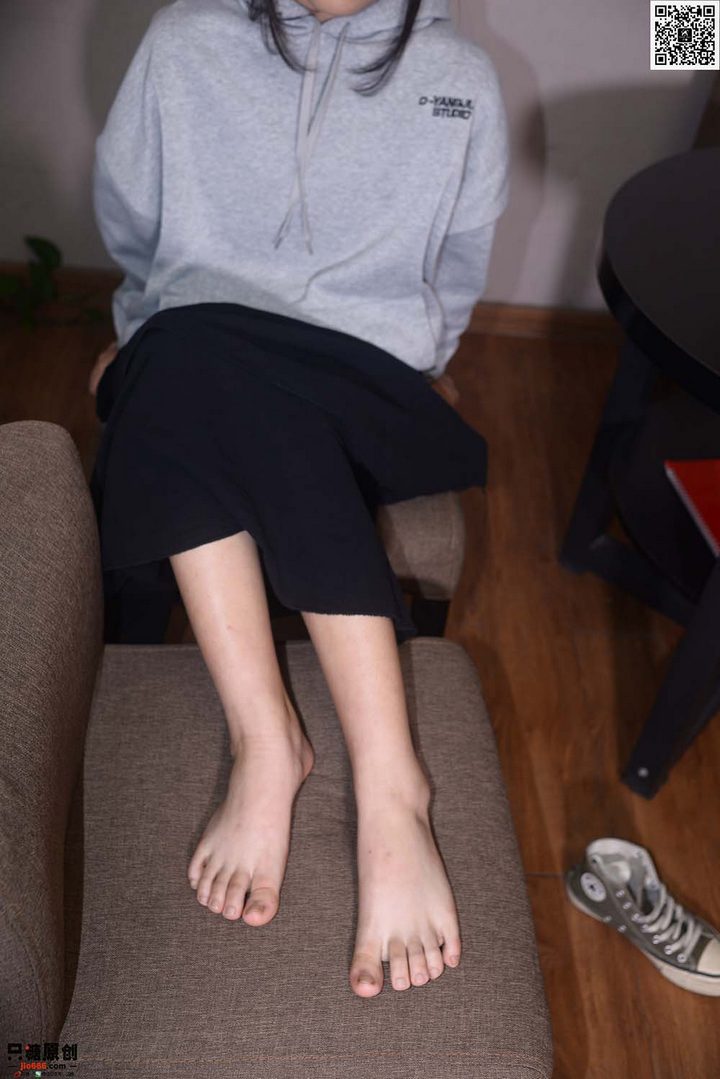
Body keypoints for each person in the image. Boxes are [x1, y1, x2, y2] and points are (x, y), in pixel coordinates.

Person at [88, 0, 509, 998]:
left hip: (368, 382)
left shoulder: (461, 80)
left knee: (182, 364)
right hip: (198, 355)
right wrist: (147, 338)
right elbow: (134, 229)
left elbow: (456, 265)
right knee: (189, 351)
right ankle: (278, 742)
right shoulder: (181, 45)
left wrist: (425, 365)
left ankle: (382, 782)